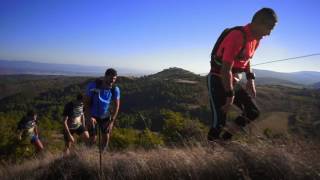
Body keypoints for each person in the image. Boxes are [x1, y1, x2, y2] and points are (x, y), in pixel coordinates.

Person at [207, 8, 278, 141]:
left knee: (252, 112)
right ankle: (211, 151)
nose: (269, 33)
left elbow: (246, 59)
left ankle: (224, 141)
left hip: (232, 80)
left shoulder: (256, 40)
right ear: (258, 23)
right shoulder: (237, 36)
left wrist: (250, 79)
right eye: (269, 28)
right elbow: (225, 69)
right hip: (217, 79)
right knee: (219, 123)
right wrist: (230, 95)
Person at [85, 68, 120, 151]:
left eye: (114, 79)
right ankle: (87, 155)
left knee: (106, 137)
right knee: (93, 138)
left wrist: (112, 121)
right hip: (92, 115)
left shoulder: (115, 89)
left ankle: (102, 154)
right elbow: (86, 103)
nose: (112, 81)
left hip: (105, 115)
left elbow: (117, 105)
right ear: (105, 77)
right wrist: (89, 117)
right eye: (111, 78)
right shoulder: (93, 85)